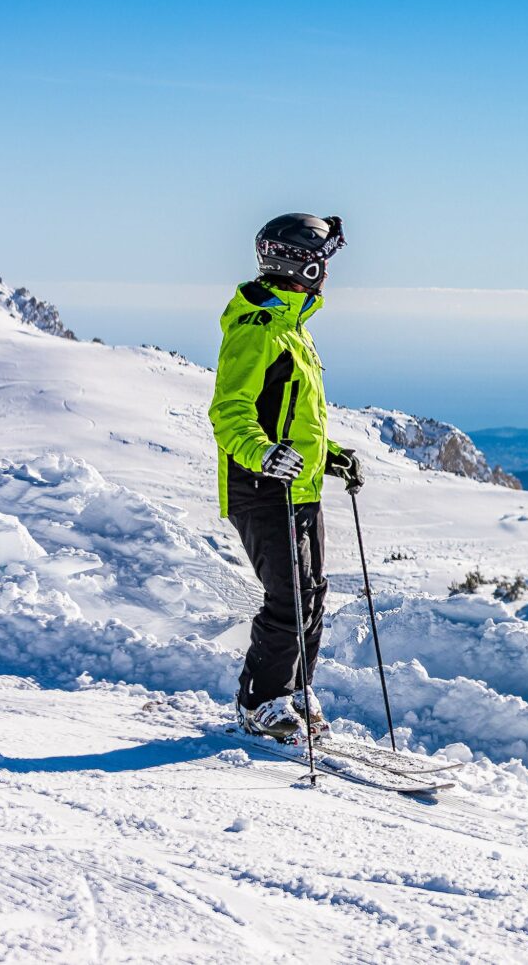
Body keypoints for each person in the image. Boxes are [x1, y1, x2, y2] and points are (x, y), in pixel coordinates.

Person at [208, 213, 363, 741]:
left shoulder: (292, 325)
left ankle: (294, 689)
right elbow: (230, 410)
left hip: (300, 483)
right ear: (306, 262)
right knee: (289, 596)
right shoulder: (258, 329)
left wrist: (331, 455)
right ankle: (259, 701)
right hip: (260, 485)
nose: (329, 273)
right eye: (325, 260)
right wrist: (262, 454)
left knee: (312, 593)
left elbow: (292, 416)